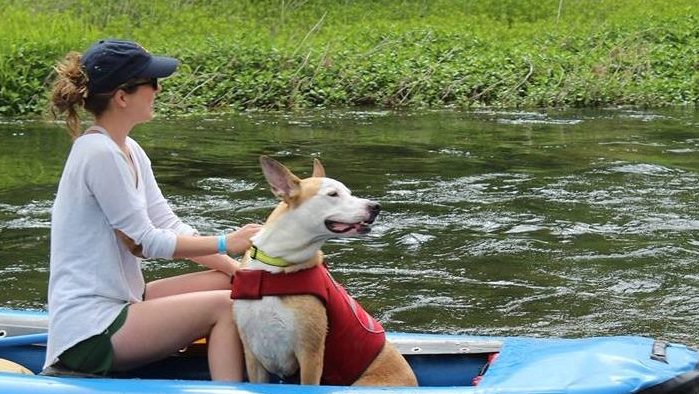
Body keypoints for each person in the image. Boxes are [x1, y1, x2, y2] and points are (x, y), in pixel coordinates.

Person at [44, 39, 260, 381]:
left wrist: (237, 269)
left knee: (230, 282)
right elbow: (143, 243)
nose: (158, 89)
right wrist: (225, 242)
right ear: (122, 96)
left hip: (123, 301)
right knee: (227, 308)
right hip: (92, 329)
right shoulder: (100, 154)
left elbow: (166, 223)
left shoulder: (128, 148)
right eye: (152, 82)